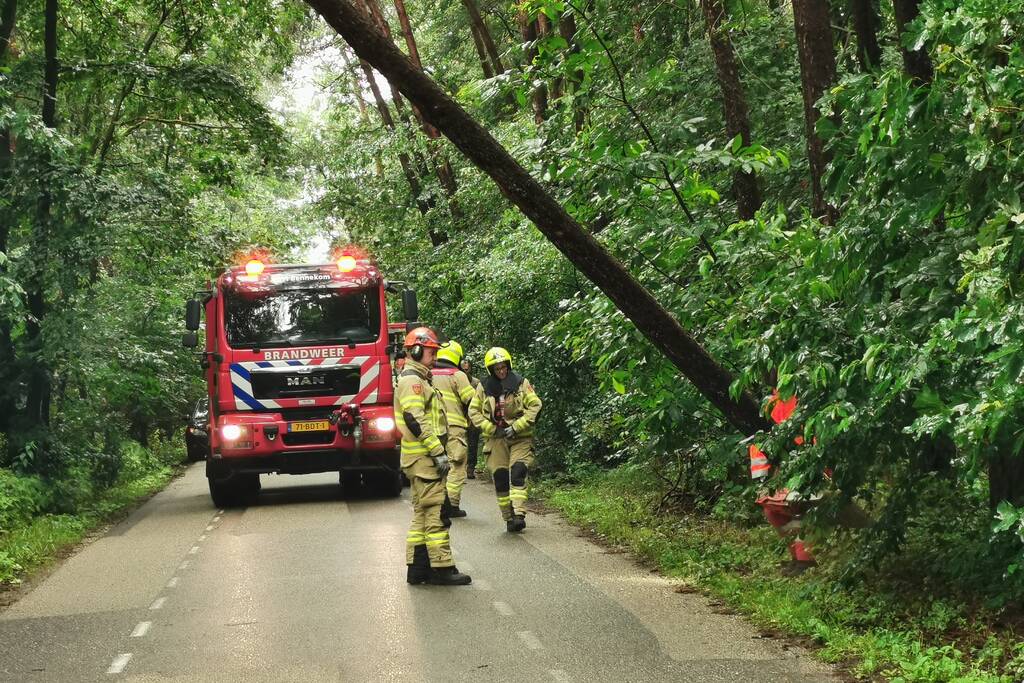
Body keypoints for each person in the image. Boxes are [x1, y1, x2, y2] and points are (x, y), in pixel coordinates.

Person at [395, 327, 471, 586]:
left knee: (422, 514)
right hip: (425, 460)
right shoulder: (413, 382)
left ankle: (417, 569)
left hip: (418, 460)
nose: (434, 355)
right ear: (415, 350)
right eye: (430, 351)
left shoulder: (419, 379)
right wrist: (438, 452)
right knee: (438, 513)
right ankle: (442, 567)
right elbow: (415, 419)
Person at [469, 347, 542, 532]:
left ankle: (519, 514)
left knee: (518, 471)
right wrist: (491, 428)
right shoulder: (483, 387)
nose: (501, 371)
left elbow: (535, 405)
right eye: (497, 369)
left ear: (508, 366)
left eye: (504, 367)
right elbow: (473, 412)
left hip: (520, 437)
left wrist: (517, 426)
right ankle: (508, 517)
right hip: (496, 438)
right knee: (500, 477)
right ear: (491, 370)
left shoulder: (520, 383)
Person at [432, 340, 476, 517]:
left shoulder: (427, 373)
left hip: (434, 428)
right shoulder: (458, 375)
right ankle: (452, 505)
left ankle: (437, 502)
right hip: (455, 427)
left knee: (437, 465)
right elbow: (471, 400)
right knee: (456, 464)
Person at [460, 357, 482, 479]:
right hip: (460, 417)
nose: (465, 372)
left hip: (473, 418)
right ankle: (460, 467)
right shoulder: (456, 380)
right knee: (460, 444)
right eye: (463, 369)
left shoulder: (476, 383)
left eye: (467, 369)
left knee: (473, 444)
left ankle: (470, 468)